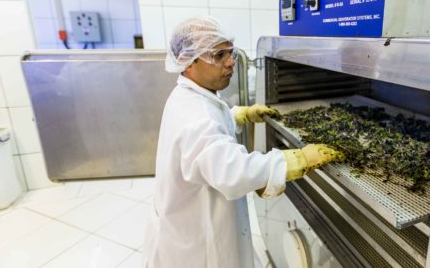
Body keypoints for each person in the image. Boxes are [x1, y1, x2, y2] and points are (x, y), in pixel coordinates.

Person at [142, 16, 344, 268]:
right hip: (197, 247)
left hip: (178, 224)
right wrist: (296, 159)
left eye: (231, 52)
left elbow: (210, 141)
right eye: (218, 56)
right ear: (189, 62)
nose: (231, 63)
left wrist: (238, 115)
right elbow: (234, 172)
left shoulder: (187, 95)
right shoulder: (198, 119)